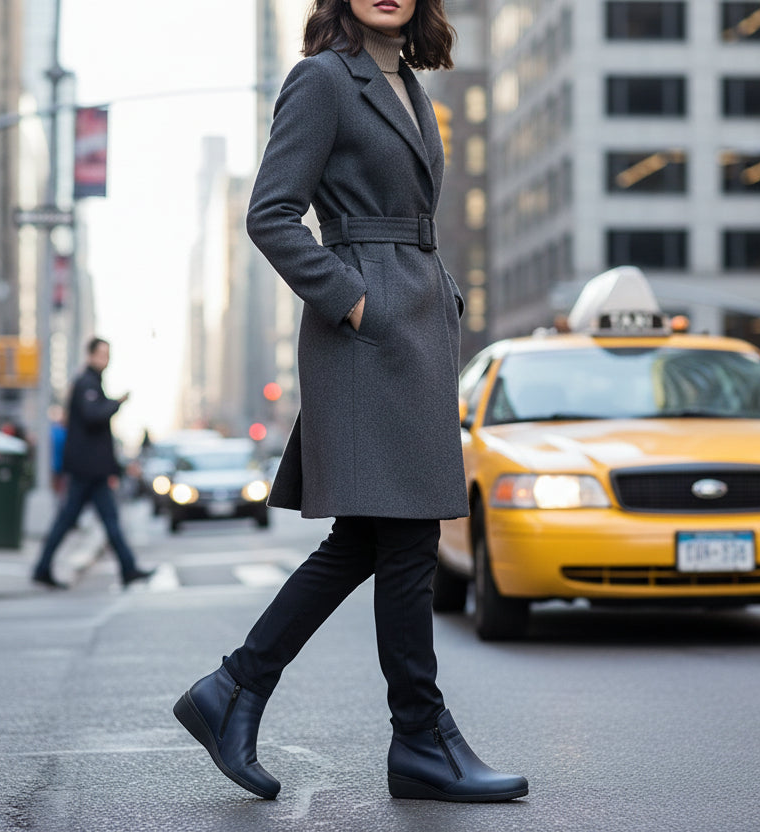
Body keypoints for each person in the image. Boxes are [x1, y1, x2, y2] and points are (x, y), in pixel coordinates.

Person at [171, 0, 527, 804]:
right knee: (402, 538)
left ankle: (237, 689)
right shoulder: (324, 80)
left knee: (376, 538)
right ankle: (420, 737)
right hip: (370, 338)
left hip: (415, 331)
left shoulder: (407, 84)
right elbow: (271, 213)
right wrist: (355, 299)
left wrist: (427, 299)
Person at [31, 337, 154, 590]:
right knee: (71, 520)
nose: (105, 360)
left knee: (108, 521)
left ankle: (128, 568)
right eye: (101, 355)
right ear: (90, 355)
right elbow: (93, 416)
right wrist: (117, 403)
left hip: (94, 471)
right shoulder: (86, 383)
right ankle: (42, 567)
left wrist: (116, 467)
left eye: (108, 355)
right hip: (86, 470)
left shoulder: (93, 384)